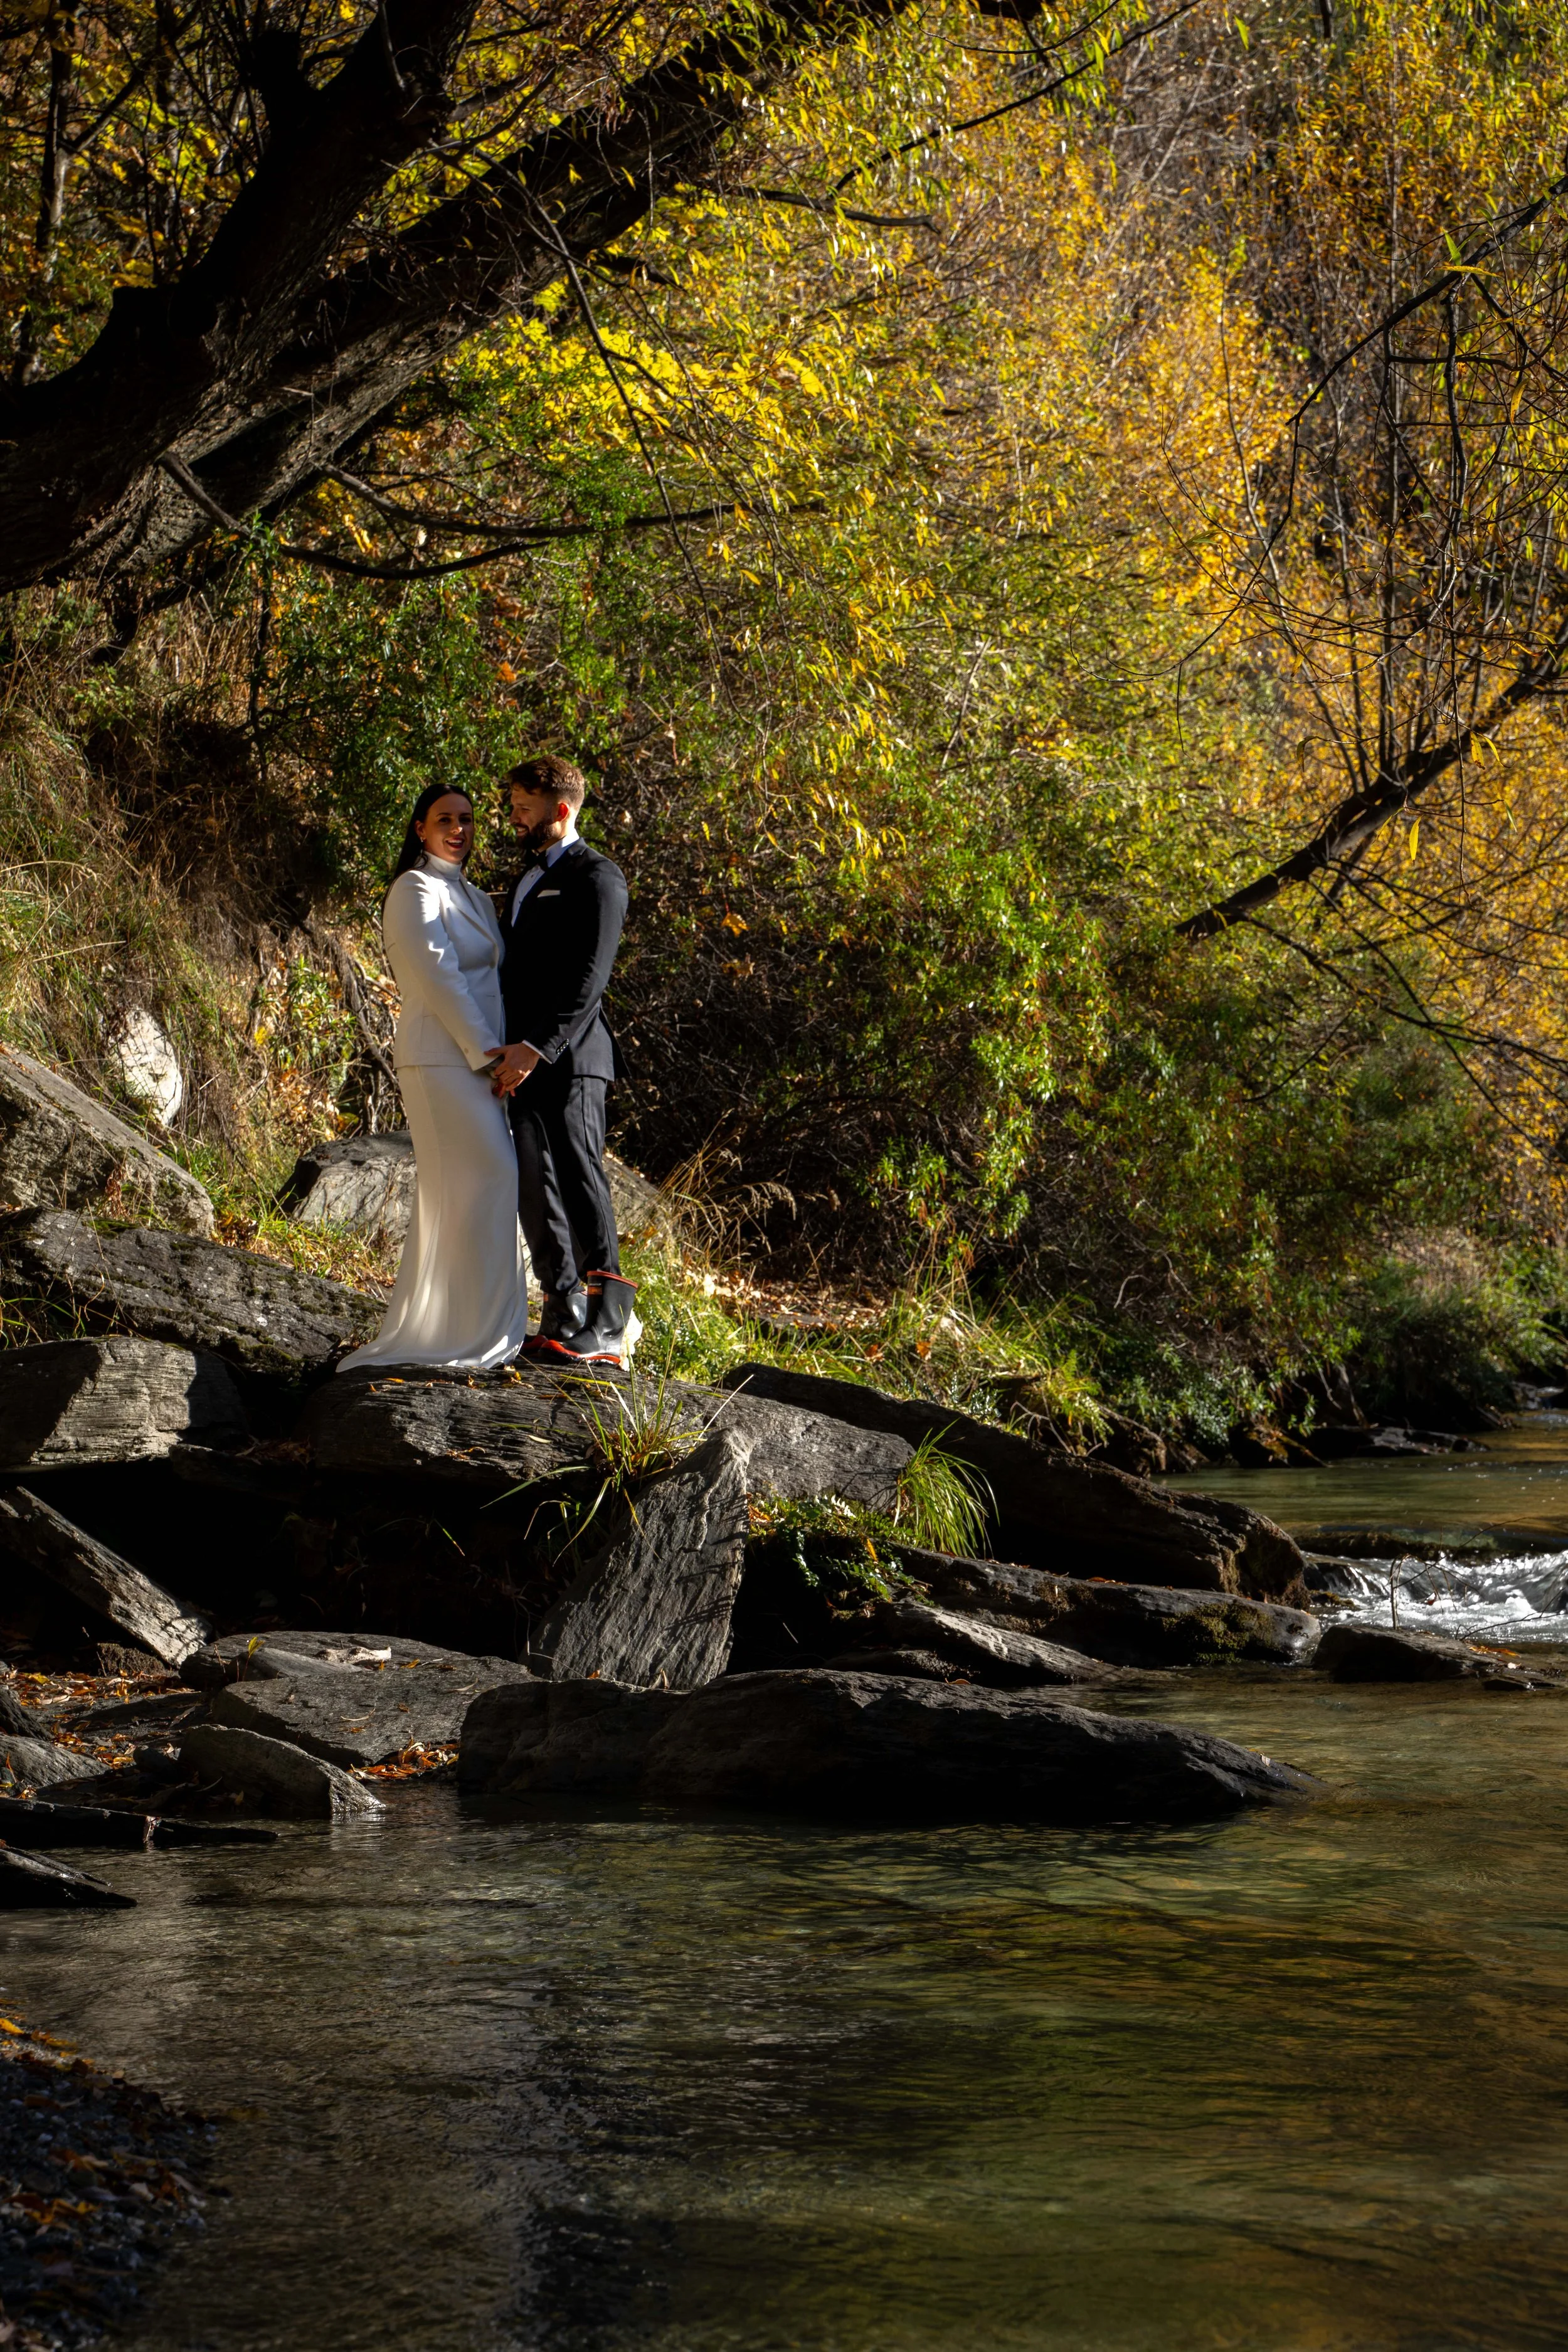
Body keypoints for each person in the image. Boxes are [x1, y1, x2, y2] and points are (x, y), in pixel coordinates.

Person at [337, 783, 534, 1375]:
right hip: (440, 1061)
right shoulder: (412, 889)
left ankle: (456, 1329)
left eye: (468, 820)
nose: (459, 829)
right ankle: (472, 1335)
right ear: (420, 829)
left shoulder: (471, 895)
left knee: (462, 1195)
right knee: (490, 1178)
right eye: (445, 820)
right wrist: (489, 1055)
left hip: (477, 1064)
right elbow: (439, 977)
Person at [493, 753, 637, 1364]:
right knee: (535, 1184)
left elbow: (590, 978)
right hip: (519, 1061)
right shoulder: (525, 878)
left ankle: (612, 1322)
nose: (514, 820)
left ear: (560, 810)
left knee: (579, 1175)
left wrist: (537, 1047)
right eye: (512, 808)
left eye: (524, 810)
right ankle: (563, 1310)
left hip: (572, 1059)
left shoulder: (597, 878)